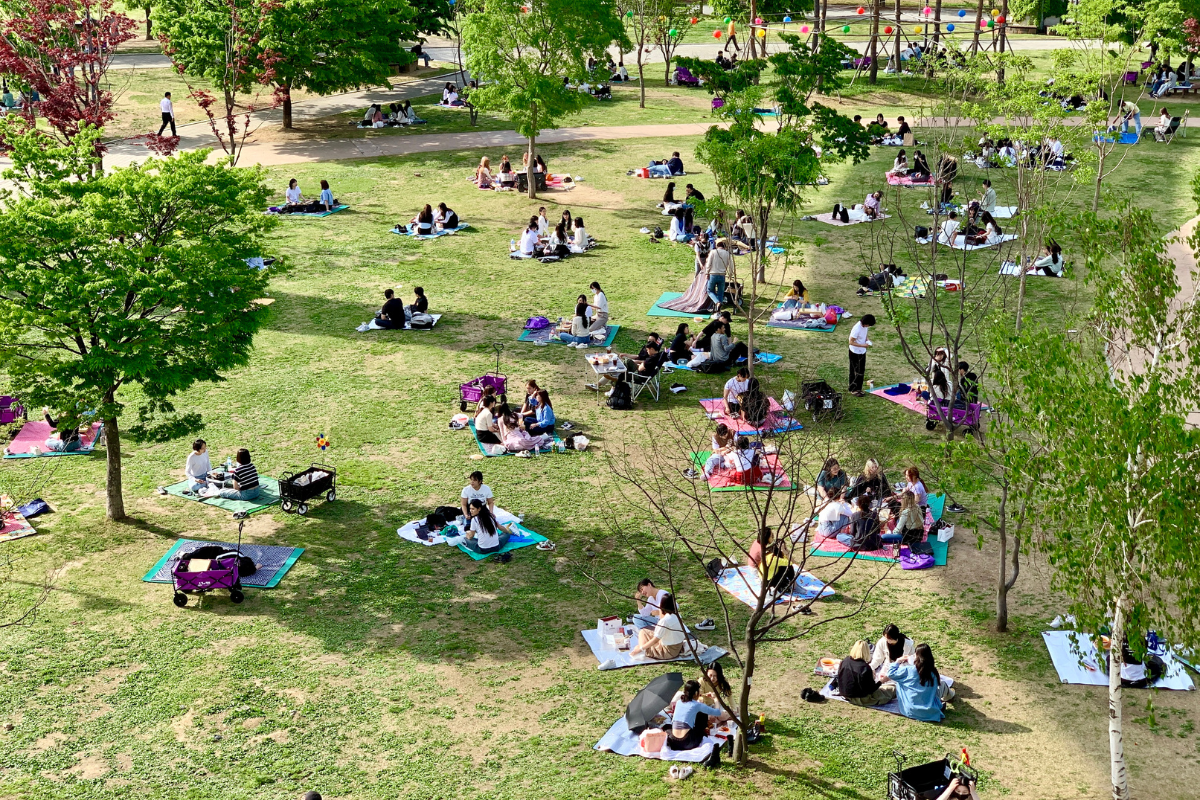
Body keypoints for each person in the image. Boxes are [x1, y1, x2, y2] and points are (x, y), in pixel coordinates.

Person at [886, 644, 948, 722]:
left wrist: (898, 661)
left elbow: (890, 673)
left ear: (916, 656)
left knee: (899, 682)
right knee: (943, 685)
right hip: (928, 712)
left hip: (908, 710)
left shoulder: (908, 670)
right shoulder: (933, 673)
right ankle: (950, 695)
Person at [666, 679, 729, 751]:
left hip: (673, 741)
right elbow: (717, 712)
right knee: (702, 714)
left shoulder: (679, 702)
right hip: (687, 742)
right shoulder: (697, 705)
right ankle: (704, 731)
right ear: (696, 693)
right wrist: (716, 700)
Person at [838, 640, 897, 706]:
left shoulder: (845, 661)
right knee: (893, 689)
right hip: (860, 698)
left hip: (844, 693)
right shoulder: (864, 668)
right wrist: (882, 681)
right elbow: (871, 690)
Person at [629, 593, 687, 661]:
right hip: (678, 646)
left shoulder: (665, 620)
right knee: (643, 631)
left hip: (667, 651)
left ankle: (642, 650)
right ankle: (642, 648)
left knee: (638, 646)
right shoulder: (677, 615)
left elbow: (655, 639)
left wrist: (640, 648)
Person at [847, 313, 874, 396]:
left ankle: (858, 388)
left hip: (862, 351)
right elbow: (851, 342)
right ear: (865, 323)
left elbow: (864, 335)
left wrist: (867, 340)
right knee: (855, 371)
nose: (868, 326)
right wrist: (863, 345)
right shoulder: (857, 329)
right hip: (855, 352)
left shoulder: (865, 327)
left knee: (861, 371)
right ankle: (853, 388)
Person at [705, 240, 732, 309]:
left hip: (713, 274)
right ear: (724, 247)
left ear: (717, 246)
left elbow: (709, 263)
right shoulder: (727, 253)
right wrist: (730, 274)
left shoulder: (713, 252)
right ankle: (718, 310)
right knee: (720, 292)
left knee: (710, 290)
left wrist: (707, 272)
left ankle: (717, 302)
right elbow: (731, 265)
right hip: (722, 275)